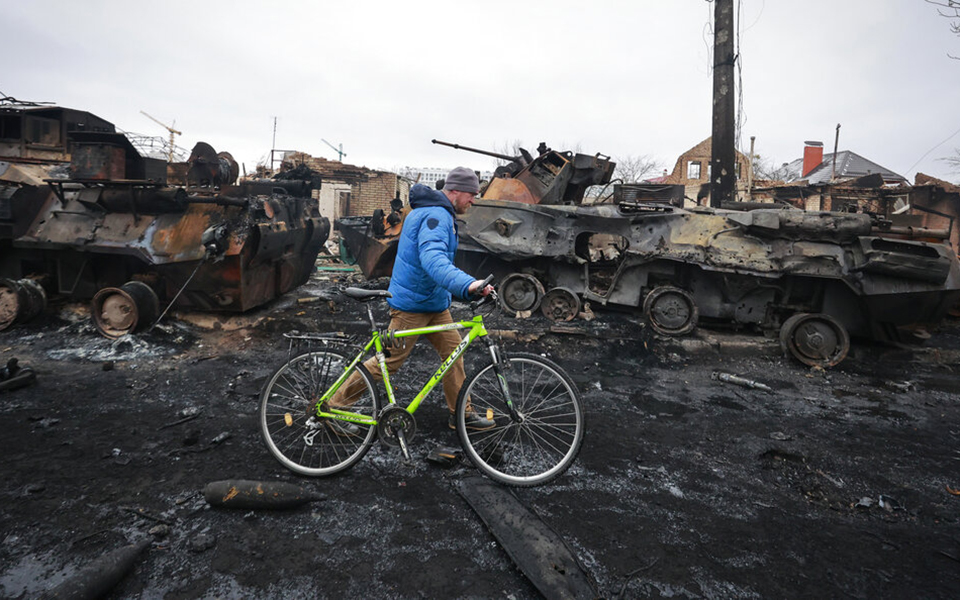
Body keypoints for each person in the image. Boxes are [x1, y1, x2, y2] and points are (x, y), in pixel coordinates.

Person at [329, 166, 494, 433]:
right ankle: (335, 408)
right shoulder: (436, 216)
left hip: (433, 303)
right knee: (388, 364)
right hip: (412, 307)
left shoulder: (434, 212)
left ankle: (461, 414)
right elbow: (433, 260)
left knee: (454, 354)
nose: (474, 200)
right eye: (472, 194)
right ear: (455, 191)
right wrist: (469, 284)